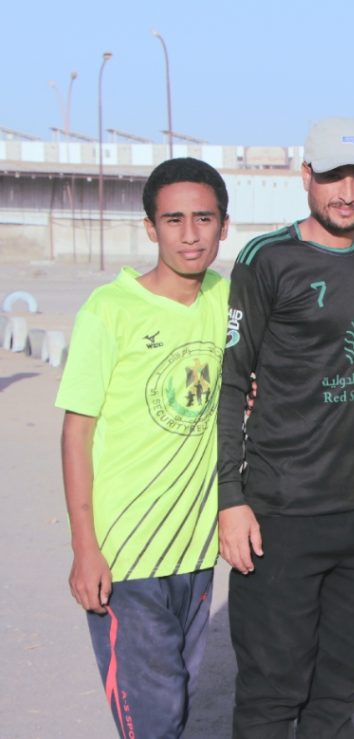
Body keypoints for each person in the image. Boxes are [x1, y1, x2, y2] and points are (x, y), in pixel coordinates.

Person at [217, 117, 354, 737]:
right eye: (334, 176)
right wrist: (231, 499)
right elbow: (231, 383)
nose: (347, 192)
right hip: (284, 512)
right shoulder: (267, 259)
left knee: (338, 694)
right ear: (306, 175)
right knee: (271, 693)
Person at [56, 157, 231, 738]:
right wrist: (85, 547)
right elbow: (76, 432)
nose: (190, 234)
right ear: (151, 228)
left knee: (176, 705)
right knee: (152, 720)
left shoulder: (227, 300)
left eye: (203, 218)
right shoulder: (110, 310)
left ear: (224, 225)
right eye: (173, 219)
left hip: (196, 551)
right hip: (126, 557)